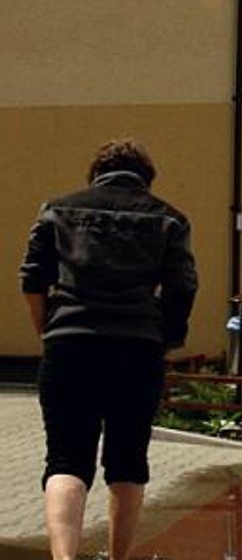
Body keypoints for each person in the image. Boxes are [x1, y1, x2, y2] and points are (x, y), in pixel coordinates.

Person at [20, 139, 198, 560]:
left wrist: (48, 329)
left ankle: (64, 558)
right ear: (146, 179)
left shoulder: (58, 209)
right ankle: (119, 558)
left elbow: (31, 279)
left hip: (69, 345)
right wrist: (165, 336)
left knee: (66, 458)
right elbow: (184, 286)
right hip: (137, 349)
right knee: (128, 460)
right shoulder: (169, 219)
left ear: (95, 174)